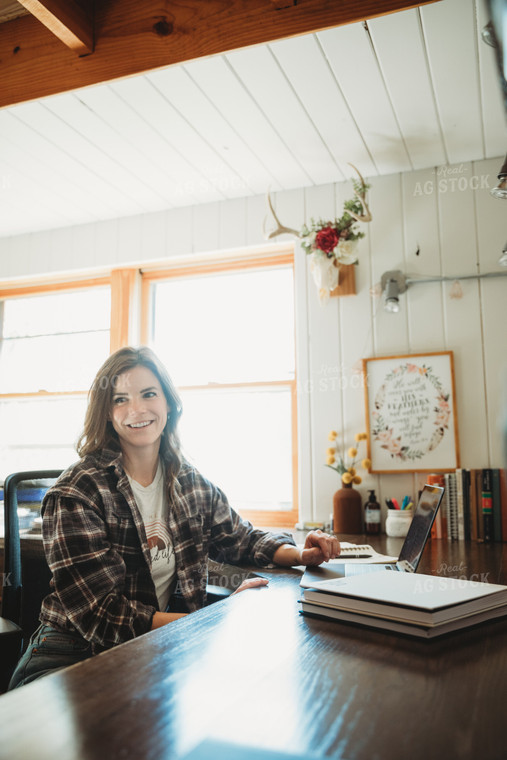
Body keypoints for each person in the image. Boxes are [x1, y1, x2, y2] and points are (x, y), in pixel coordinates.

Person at [9, 346, 340, 689]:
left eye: (148, 394)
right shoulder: (77, 492)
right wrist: (212, 621)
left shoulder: (187, 481)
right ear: (107, 413)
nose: (136, 409)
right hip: (71, 658)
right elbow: (102, 615)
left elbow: (240, 538)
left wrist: (303, 554)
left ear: (168, 402)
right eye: (120, 399)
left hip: (151, 653)